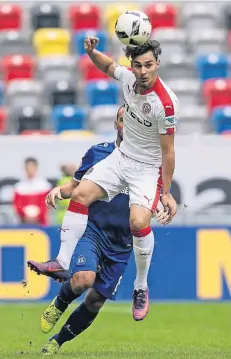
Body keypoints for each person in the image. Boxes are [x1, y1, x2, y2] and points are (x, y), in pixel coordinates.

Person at [29, 38, 178, 321]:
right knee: (81, 194)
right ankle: (61, 262)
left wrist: (166, 193)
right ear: (132, 66)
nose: (143, 71)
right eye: (138, 65)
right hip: (122, 159)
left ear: (157, 64)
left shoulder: (166, 104)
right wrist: (90, 52)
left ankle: (141, 287)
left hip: (147, 168)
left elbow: (168, 152)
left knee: (138, 222)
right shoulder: (129, 79)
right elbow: (108, 66)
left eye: (148, 65)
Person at [39, 108, 169, 356]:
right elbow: (76, 186)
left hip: (122, 242)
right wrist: (60, 191)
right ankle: (59, 302)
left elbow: (155, 194)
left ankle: (58, 341)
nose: (127, 125)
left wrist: (162, 204)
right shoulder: (98, 153)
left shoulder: (150, 161)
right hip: (94, 231)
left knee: (95, 300)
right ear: (116, 124)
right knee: (83, 280)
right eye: (123, 120)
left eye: (132, 121)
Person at [13, 157, 51, 225]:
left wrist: (37, 216)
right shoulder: (19, 186)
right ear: (25, 168)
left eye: (32, 167)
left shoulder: (44, 185)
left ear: (36, 168)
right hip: (24, 223)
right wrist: (25, 215)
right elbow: (17, 205)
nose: (30, 170)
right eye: (28, 168)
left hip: (41, 223)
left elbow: (46, 205)